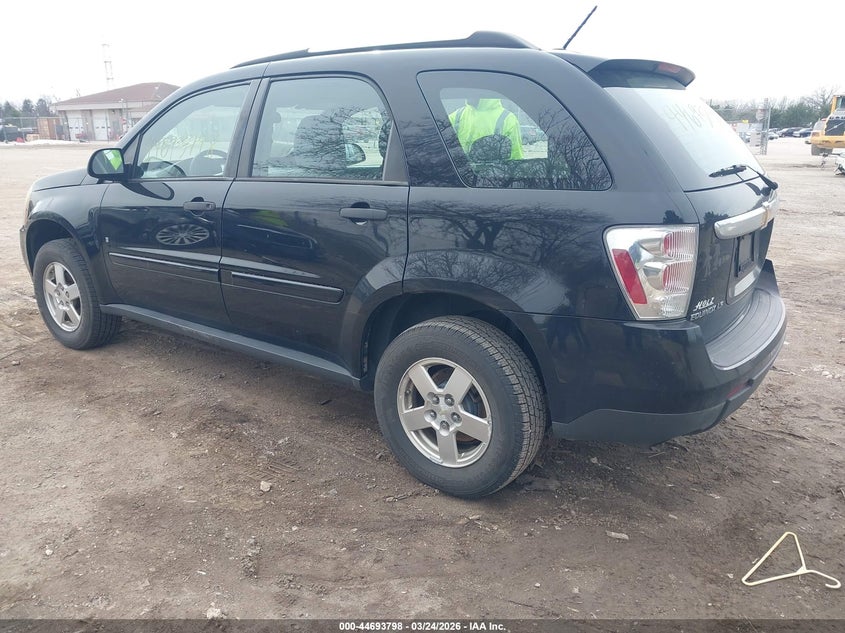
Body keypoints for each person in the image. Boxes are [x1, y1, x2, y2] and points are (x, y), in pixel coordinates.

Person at [449, 97, 524, 160]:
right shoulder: (456, 116)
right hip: (455, 175)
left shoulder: (508, 119)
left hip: (492, 176)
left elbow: (515, 159)